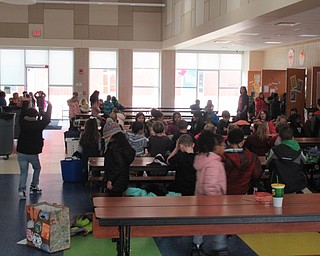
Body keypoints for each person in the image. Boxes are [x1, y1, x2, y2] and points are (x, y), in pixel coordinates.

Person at [192, 130, 228, 255]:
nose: (224, 147)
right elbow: (210, 187)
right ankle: (219, 248)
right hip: (213, 201)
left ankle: (197, 245)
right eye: (223, 145)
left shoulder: (204, 159)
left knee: (200, 224)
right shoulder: (213, 164)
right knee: (220, 224)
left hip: (201, 199)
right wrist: (216, 201)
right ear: (216, 147)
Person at [17, 100, 52, 199]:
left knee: (23, 172)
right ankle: (34, 186)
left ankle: (21, 191)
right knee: (37, 168)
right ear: (35, 116)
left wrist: (25, 103)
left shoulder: (22, 123)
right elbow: (47, 119)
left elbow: (22, 113)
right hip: (33, 152)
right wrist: (49, 106)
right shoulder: (38, 125)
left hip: (22, 152)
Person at [266, 124, 311, 194]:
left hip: (278, 183)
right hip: (295, 184)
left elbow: (268, 164)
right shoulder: (298, 150)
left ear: (280, 138)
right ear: (293, 137)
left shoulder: (274, 150)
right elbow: (305, 161)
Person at [224, 128, 263, 195]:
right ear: (242, 142)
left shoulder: (221, 157)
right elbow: (256, 175)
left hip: (224, 193)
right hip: (244, 193)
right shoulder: (252, 157)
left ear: (228, 142)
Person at [103, 118, 135, 197]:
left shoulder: (114, 148)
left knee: (112, 203)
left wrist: (110, 179)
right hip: (122, 179)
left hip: (115, 181)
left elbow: (119, 165)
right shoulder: (124, 144)